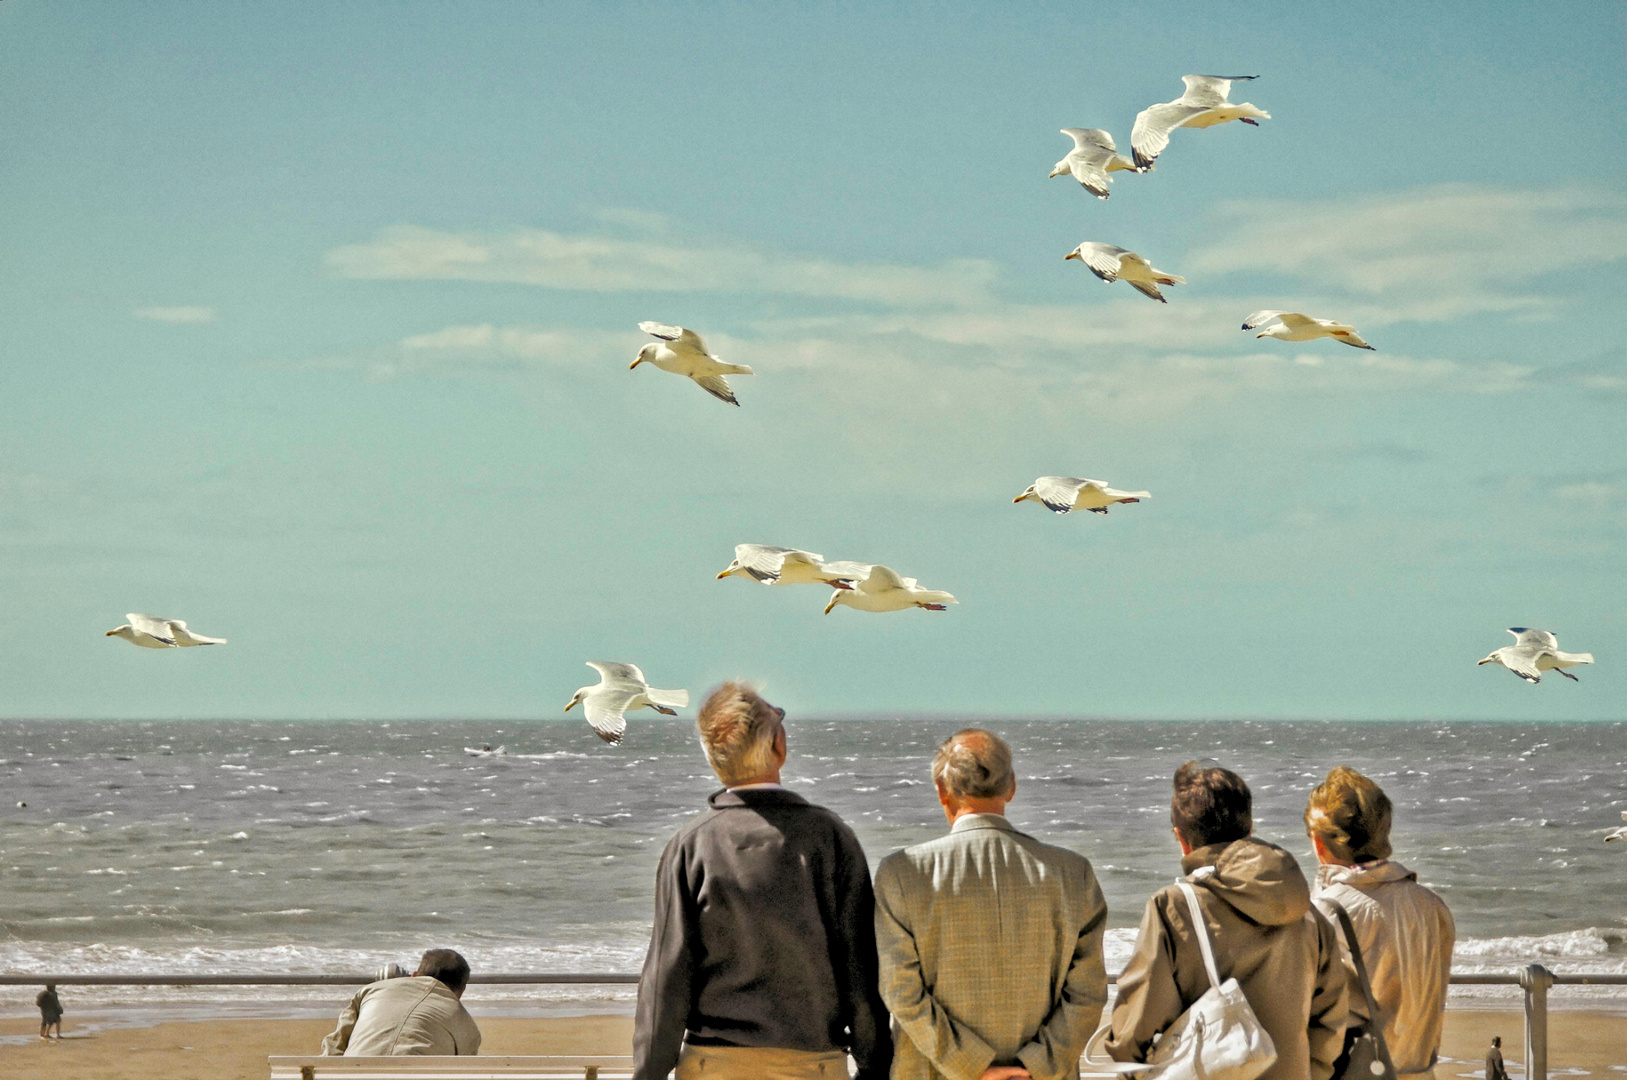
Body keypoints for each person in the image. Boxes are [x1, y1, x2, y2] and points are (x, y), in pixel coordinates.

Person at [633, 682, 892, 1080]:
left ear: (714, 760)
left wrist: (649, 1072)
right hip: (813, 1064)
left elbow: (667, 977)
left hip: (713, 1065)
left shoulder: (691, 845)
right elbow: (860, 967)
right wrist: (875, 1065)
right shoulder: (831, 837)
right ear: (779, 747)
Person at [874, 729, 1109, 1080]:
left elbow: (902, 993)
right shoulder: (1073, 873)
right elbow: (1087, 995)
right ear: (1011, 787)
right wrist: (1034, 1066)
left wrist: (973, 1065)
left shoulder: (903, 873)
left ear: (942, 790)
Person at [1104, 761, 1347, 1080]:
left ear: (1182, 838)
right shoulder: (1306, 909)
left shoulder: (1174, 907)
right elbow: (1330, 1024)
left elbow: (1135, 1030)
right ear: (1249, 829)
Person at [1306, 766, 1455, 1080]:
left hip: (1359, 1072)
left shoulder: (1326, 910)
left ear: (1320, 845)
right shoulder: (1432, 905)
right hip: (1420, 1070)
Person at [321, 948, 481, 1056]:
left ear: (414, 975)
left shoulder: (372, 991)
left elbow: (334, 1046)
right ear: (461, 991)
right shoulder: (467, 1025)